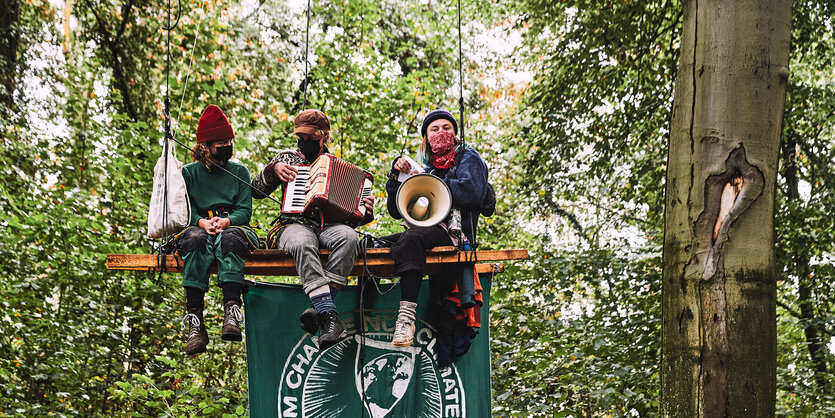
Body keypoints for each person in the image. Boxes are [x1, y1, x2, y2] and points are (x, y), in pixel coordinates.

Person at [251, 109, 375, 350]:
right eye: (301, 138)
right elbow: (256, 191)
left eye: (311, 138)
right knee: (302, 242)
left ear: (325, 136)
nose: (304, 143)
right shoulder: (285, 159)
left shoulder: (336, 166)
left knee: (349, 238)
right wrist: (272, 170)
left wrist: (366, 212)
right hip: (292, 224)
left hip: (328, 227)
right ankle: (330, 318)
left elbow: (352, 219)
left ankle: (320, 310)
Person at [383, 109, 491, 347]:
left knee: (411, 240)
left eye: (447, 128)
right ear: (426, 137)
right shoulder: (425, 168)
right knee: (373, 244)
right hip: (426, 229)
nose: (441, 132)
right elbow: (395, 210)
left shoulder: (468, 157)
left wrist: (432, 183)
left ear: (455, 133)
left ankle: (406, 318)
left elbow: (472, 191)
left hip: (454, 232)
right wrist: (395, 178)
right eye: (434, 129)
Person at [178, 104, 259, 356]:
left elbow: (245, 210)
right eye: (221, 142)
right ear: (206, 146)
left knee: (231, 240)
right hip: (198, 226)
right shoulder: (188, 173)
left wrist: (227, 221)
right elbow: (183, 210)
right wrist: (201, 222)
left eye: (229, 140)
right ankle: (195, 322)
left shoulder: (239, 171)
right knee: (193, 240)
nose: (227, 145)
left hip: (232, 227)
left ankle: (232, 311)